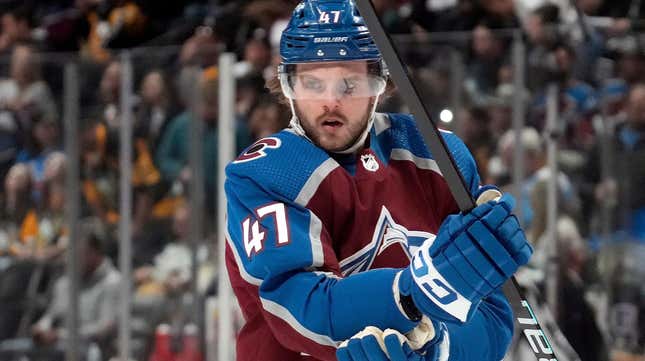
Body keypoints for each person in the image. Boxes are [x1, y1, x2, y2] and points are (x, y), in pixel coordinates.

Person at [224, 1, 533, 360]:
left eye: (349, 84)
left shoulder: (437, 156)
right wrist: (415, 291)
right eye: (312, 83)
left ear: (380, 84)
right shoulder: (266, 174)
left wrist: (437, 347)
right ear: (287, 85)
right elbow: (301, 312)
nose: (330, 102)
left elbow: (494, 318)